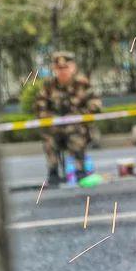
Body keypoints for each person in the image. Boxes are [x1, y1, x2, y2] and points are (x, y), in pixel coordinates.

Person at [34, 51, 102, 185]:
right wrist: (53, 118)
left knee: (75, 134)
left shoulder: (82, 84)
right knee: (48, 137)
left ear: (73, 67)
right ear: (54, 69)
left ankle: (80, 169)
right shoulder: (48, 86)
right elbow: (39, 108)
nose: (63, 71)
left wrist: (78, 115)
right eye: (59, 68)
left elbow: (96, 105)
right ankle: (53, 172)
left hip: (78, 128)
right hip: (55, 128)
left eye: (66, 67)